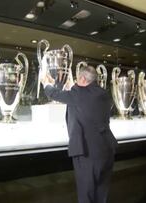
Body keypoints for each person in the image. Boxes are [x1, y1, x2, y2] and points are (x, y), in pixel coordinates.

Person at [41, 65, 118, 203]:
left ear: (82, 78)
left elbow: (53, 94)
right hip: (107, 150)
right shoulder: (104, 94)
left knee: (86, 195)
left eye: (77, 79)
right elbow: (82, 101)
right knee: (101, 195)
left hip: (87, 152)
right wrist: (69, 86)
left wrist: (46, 82)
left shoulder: (78, 94)